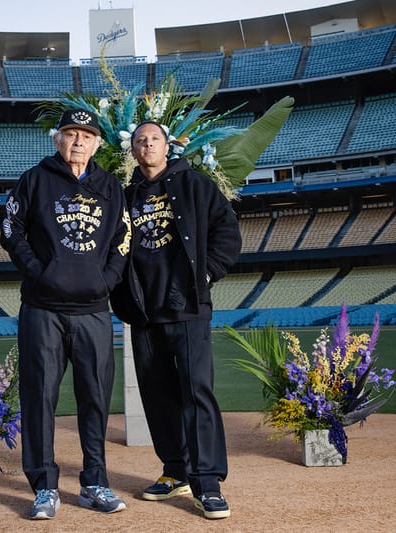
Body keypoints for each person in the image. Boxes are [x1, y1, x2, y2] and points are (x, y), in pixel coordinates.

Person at [0, 108, 131, 520]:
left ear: (97, 144)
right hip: (43, 309)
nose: (78, 141)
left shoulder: (110, 186)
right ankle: (44, 487)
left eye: (86, 135)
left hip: (93, 309)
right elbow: (9, 230)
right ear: (57, 139)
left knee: (95, 398)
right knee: (40, 397)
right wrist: (38, 272)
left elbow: (123, 238)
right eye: (71, 134)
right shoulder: (34, 180)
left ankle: (94, 483)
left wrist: (107, 280)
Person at [111, 120, 242, 520]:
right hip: (144, 312)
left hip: (187, 308)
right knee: (157, 396)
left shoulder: (196, 186)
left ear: (167, 147)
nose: (147, 145)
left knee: (195, 393)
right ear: (132, 151)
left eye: (154, 140)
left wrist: (204, 274)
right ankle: (175, 470)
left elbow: (228, 234)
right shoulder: (124, 196)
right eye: (140, 141)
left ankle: (208, 483)